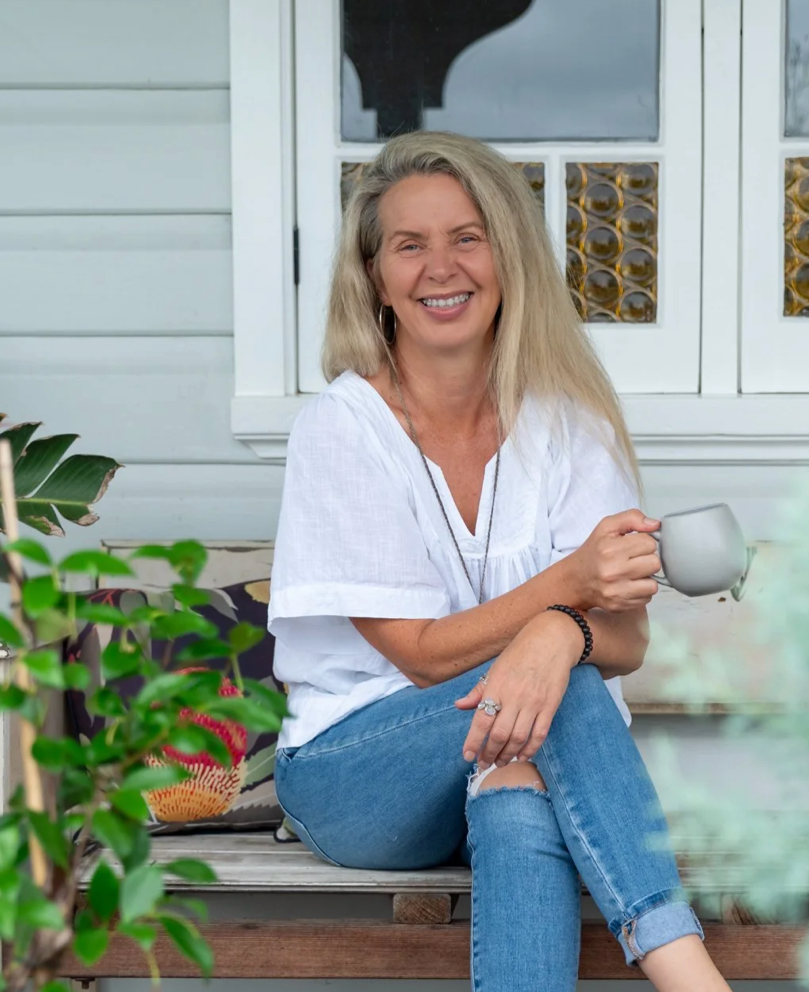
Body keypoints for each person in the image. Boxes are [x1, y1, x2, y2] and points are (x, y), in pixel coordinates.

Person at [268, 130, 731, 991]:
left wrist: (560, 637)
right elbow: (418, 651)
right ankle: (691, 975)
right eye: (410, 245)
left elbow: (624, 639)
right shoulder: (342, 429)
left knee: (519, 781)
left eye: (467, 237)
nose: (441, 267)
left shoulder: (568, 423)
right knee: (559, 687)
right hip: (358, 777)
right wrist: (562, 606)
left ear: (508, 257)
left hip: (505, 746)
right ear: (376, 277)